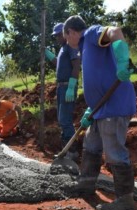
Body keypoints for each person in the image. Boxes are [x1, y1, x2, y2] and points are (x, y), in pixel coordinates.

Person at [63, 16, 136, 210]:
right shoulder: (85, 47)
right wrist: (90, 108)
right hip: (99, 109)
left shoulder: (91, 34)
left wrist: (123, 61)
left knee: (114, 152)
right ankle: (86, 184)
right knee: (91, 146)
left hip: (114, 106)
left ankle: (125, 200)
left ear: (71, 32)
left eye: (66, 37)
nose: (68, 42)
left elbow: (116, 31)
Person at [45, 23, 81, 162]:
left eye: (59, 34)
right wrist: (47, 53)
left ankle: (72, 152)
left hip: (68, 87)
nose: (57, 38)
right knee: (62, 120)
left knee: (65, 120)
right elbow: (58, 63)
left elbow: (77, 64)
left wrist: (72, 86)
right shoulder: (62, 49)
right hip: (61, 88)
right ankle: (66, 149)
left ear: (66, 33)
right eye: (56, 36)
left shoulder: (71, 47)